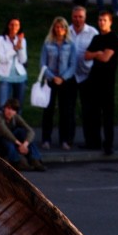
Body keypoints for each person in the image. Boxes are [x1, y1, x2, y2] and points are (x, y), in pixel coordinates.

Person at [84, 10, 118, 154]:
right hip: (94, 79)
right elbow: (87, 55)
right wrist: (97, 53)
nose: (101, 22)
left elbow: (106, 58)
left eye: (104, 20)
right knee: (94, 112)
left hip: (107, 81)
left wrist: (97, 54)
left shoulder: (113, 38)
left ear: (110, 22)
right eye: (99, 20)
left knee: (107, 114)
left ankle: (108, 143)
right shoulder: (96, 38)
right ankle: (95, 141)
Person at [40, 16, 76, 151]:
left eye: (61, 27)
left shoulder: (70, 45)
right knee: (48, 111)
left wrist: (63, 77)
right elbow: (42, 64)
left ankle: (64, 140)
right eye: (57, 27)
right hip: (51, 80)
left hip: (65, 81)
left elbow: (73, 65)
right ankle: (46, 139)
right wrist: (52, 76)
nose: (59, 29)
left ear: (66, 29)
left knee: (65, 111)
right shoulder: (47, 44)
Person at [0, 98, 45, 171]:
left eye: (13, 110)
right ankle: (17, 161)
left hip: (11, 138)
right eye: (8, 108)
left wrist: (25, 144)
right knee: (7, 140)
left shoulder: (15, 117)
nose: (10, 112)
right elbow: (5, 132)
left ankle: (35, 159)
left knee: (22, 132)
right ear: (4, 108)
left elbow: (30, 131)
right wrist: (19, 144)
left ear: (15, 112)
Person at [69, 6, 98, 146]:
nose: (77, 19)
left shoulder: (92, 32)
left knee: (88, 109)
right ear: (71, 17)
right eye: (75, 16)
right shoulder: (66, 31)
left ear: (85, 17)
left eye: (80, 17)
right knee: (69, 109)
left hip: (87, 75)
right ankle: (68, 139)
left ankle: (90, 140)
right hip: (70, 75)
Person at [0, 17, 28, 110]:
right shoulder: (0, 39)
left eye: (17, 25)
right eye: (12, 24)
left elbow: (23, 60)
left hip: (20, 76)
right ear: (8, 26)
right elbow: (2, 59)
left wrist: (20, 44)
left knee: (18, 105)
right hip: (5, 76)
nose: (14, 27)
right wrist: (15, 49)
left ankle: (16, 120)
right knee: (3, 104)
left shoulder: (22, 40)